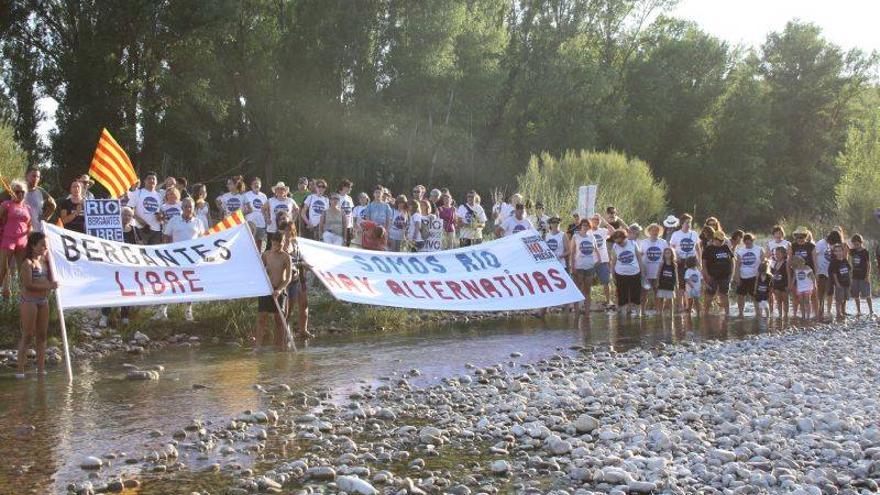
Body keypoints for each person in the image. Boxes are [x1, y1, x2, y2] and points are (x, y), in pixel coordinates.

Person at [155, 198, 206, 321]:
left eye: (190, 206)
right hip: (175, 257)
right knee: (169, 282)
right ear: (181, 207)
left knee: (189, 283)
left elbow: (203, 240)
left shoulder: (198, 222)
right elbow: (166, 236)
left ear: (194, 208)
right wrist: (167, 252)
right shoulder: (174, 220)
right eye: (186, 206)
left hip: (191, 258)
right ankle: (163, 309)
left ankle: (188, 310)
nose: (188, 209)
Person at [15, 232, 57, 378]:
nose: (45, 247)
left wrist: (52, 283)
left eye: (46, 245)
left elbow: (52, 277)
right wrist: (50, 286)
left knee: (42, 335)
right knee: (27, 335)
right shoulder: (27, 263)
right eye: (42, 245)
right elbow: (28, 285)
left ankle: (41, 369)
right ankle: (20, 371)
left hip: (43, 301)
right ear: (33, 246)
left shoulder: (46, 262)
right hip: (29, 302)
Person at [99, 207, 139, 328]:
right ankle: (104, 316)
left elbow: (139, 246)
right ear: (119, 216)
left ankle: (125, 316)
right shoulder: (112, 229)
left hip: (128, 266)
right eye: (124, 215)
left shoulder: (135, 231)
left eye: (129, 215)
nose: (126, 217)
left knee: (127, 290)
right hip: (113, 265)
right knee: (110, 289)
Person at [255, 233, 293, 350]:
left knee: (279, 320)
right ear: (272, 242)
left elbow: (288, 278)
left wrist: (280, 290)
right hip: (267, 290)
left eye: (280, 244)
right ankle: (258, 347)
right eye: (276, 244)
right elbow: (259, 272)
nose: (278, 246)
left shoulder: (286, 257)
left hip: (279, 290)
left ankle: (279, 347)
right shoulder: (266, 255)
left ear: (283, 242)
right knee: (262, 318)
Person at [0, 180, 32, 301]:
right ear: (12, 192)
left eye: (22, 192)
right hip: (8, 239)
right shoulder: (6, 204)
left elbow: (29, 225)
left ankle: (23, 301)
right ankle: (4, 300)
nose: (20, 194)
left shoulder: (27, 207)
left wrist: (31, 235)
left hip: (23, 242)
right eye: (17, 191)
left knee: (22, 271)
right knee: (3, 270)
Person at [281, 220, 312, 339]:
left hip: (300, 276)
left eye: (291, 229)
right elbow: (285, 262)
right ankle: (285, 331)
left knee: (304, 304)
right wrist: (301, 264)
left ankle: (303, 330)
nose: (289, 232)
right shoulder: (281, 244)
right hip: (287, 279)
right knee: (288, 307)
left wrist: (305, 264)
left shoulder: (296, 243)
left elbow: (302, 257)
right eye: (287, 230)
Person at [610, 228, 644, 316]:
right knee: (622, 296)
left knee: (636, 295)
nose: (619, 244)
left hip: (635, 273)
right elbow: (613, 261)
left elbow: (639, 258)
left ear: (625, 238)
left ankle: (638, 315)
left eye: (620, 242)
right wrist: (612, 275)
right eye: (617, 242)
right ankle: (623, 317)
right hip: (620, 274)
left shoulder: (633, 243)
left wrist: (642, 272)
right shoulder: (615, 246)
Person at [569, 218, 599, 317]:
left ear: (589, 227)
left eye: (587, 225)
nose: (585, 227)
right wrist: (572, 267)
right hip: (579, 266)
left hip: (589, 267)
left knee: (587, 290)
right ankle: (577, 312)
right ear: (581, 226)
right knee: (578, 289)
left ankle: (587, 313)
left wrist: (596, 263)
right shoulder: (575, 237)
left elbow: (596, 251)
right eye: (584, 225)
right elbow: (572, 253)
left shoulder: (592, 237)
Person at [670, 214, 700, 311]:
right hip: (680, 261)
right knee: (681, 284)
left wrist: (699, 260)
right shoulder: (676, 234)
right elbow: (671, 247)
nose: (689, 224)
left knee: (691, 284)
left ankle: (689, 306)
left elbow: (697, 248)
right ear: (682, 223)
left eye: (690, 222)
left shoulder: (694, 234)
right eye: (687, 222)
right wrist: (676, 256)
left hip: (692, 262)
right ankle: (680, 305)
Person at [701, 228, 733, 316]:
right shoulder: (708, 249)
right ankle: (705, 315)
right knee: (709, 297)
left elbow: (732, 261)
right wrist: (706, 275)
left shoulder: (726, 247)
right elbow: (703, 264)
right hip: (712, 276)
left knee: (724, 295)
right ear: (714, 239)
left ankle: (727, 315)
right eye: (719, 240)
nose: (721, 241)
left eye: (722, 240)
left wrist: (731, 274)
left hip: (725, 276)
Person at [127, 172, 163, 245]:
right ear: (145, 181)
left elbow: (162, 212)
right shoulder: (137, 193)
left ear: (156, 182)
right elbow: (130, 209)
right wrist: (141, 222)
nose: (152, 180)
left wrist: (160, 216)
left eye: (153, 179)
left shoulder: (159, 196)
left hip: (156, 230)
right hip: (141, 229)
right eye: (149, 178)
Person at [587, 213, 614, 310]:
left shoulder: (603, 231)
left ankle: (608, 301)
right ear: (591, 221)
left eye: (598, 220)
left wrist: (603, 218)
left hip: (603, 260)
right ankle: (588, 302)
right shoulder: (588, 231)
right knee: (588, 282)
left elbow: (613, 232)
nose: (596, 221)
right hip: (590, 261)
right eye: (594, 219)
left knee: (606, 281)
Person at [640, 223, 667, 315]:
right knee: (644, 294)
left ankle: (659, 312)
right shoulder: (643, 242)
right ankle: (642, 311)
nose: (655, 232)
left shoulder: (663, 242)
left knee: (659, 294)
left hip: (659, 273)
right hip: (646, 272)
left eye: (657, 230)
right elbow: (639, 256)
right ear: (649, 231)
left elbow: (667, 256)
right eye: (653, 230)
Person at [734, 233, 764, 318]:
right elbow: (737, 265)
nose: (748, 244)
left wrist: (762, 275)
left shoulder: (759, 249)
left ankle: (758, 313)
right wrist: (736, 276)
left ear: (752, 241)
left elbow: (763, 263)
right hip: (743, 276)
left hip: (755, 276)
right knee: (740, 296)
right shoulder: (740, 251)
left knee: (755, 296)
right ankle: (740, 313)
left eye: (749, 242)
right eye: (746, 242)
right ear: (744, 242)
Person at [790, 226, 817, 317]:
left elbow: (814, 261)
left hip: (808, 272)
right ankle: (796, 314)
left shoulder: (811, 246)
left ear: (805, 236)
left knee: (810, 297)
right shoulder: (793, 246)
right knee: (797, 297)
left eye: (802, 237)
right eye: (798, 237)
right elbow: (790, 260)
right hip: (797, 273)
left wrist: (815, 275)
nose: (799, 239)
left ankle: (814, 314)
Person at [814, 230, 842, 318]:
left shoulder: (833, 244)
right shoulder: (821, 243)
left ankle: (828, 311)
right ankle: (820, 312)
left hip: (830, 272)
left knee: (830, 292)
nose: (834, 244)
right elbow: (814, 255)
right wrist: (816, 270)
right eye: (834, 241)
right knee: (821, 293)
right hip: (821, 271)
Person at [23, 168, 56, 233]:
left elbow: (53, 205)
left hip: (36, 230)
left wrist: (45, 217)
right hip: (20, 229)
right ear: (26, 176)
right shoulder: (18, 189)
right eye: (33, 176)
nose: (36, 179)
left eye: (38, 177)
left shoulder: (41, 191)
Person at [849, 234, 874, 316]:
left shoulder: (865, 251)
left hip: (864, 276)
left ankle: (871, 311)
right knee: (856, 295)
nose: (855, 245)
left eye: (857, 244)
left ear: (860, 242)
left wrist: (867, 276)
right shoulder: (853, 251)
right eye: (854, 244)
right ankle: (859, 311)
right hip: (855, 276)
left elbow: (868, 264)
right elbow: (845, 246)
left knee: (867, 294)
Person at [243, 177, 268, 250]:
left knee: (259, 245)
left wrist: (266, 220)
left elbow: (266, 210)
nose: (256, 185)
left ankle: (258, 258)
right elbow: (243, 209)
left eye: (258, 184)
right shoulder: (246, 195)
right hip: (250, 223)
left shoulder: (264, 196)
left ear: (260, 185)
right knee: (249, 243)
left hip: (261, 223)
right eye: (254, 184)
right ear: (251, 185)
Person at [828, 243, 851, 319]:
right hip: (839, 283)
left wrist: (849, 280)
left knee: (844, 298)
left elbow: (849, 270)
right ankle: (838, 313)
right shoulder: (834, 262)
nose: (838, 252)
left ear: (842, 251)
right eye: (836, 251)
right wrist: (837, 283)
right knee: (839, 299)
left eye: (840, 251)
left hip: (846, 282)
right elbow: (834, 274)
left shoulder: (845, 260)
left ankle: (843, 311)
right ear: (834, 253)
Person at [791, 255, 815, 320]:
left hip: (808, 287)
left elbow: (813, 278)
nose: (798, 266)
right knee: (801, 302)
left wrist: (814, 285)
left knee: (807, 301)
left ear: (801, 262)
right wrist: (791, 286)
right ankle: (803, 316)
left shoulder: (807, 268)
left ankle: (808, 316)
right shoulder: (796, 270)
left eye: (799, 263)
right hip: (800, 288)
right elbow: (794, 278)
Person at [656, 247, 678, 317]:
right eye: (665, 253)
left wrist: (677, 283)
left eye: (669, 253)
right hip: (662, 283)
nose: (667, 254)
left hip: (670, 284)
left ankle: (671, 314)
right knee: (661, 298)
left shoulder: (674, 264)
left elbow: (676, 274)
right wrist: (657, 282)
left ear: (672, 254)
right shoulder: (662, 263)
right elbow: (658, 273)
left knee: (670, 299)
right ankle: (660, 312)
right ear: (663, 255)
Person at [771, 246, 790, 318]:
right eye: (776, 254)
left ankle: (785, 315)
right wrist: (772, 285)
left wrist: (789, 285)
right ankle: (780, 314)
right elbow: (773, 275)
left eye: (779, 253)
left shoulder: (786, 263)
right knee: (778, 300)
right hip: (776, 284)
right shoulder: (775, 263)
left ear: (784, 254)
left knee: (785, 300)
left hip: (784, 284)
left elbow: (789, 275)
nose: (777, 255)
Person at [337, 180, 355, 245]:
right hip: (339, 226)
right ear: (344, 187)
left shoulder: (349, 198)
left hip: (349, 226)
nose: (350, 189)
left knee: (347, 245)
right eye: (349, 187)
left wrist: (352, 226)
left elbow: (351, 213)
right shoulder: (336, 197)